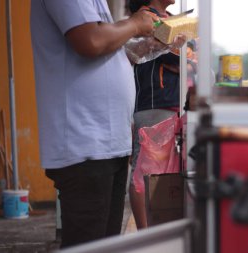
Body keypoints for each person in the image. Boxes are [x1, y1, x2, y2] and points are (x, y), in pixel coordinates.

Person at [30, 0, 158, 248]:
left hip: (107, 141)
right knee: (88, 244)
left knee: (105, 244)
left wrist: (143, 43)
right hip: (85, 141)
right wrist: (133, 24)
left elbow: (105, 49)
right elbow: (91, 41)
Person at [127, 0, 197, 229]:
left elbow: (190, 57)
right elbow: (177, 57)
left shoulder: (170, 17)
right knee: (145, 169)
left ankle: (161, 226)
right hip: (154, 103)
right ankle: (144, 232)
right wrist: (186, 57)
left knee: (167, 169)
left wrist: (186, 57)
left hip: (174, 102)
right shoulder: (146, 18)